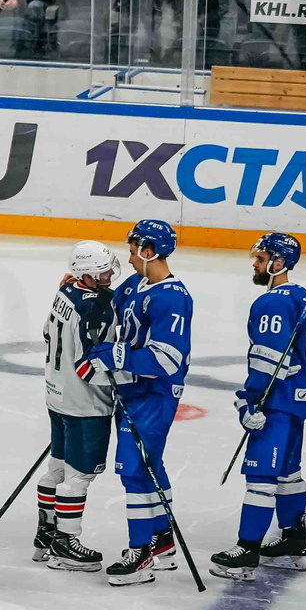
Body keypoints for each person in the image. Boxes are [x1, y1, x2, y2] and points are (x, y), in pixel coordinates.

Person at [210, 233, 306, 580]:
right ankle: (292, 541)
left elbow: (268, 360)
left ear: (279, 262)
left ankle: (247, 550)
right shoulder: (301, 296)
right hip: (297, 400)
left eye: (261, 259)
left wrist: (251, 400)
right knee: (288, 473)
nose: (255, 265)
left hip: (276, 401)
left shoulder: (272, 302)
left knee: (261, 476)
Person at [89, 217, 193, 588]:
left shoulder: (173, 298)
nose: (130, 259)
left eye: (134, 252)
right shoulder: (136, 283)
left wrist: (116, 356)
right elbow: (110, 306)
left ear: (149, 252)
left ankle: (140, 553)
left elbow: (166, 360)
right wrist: (82, 285)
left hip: (155, 395)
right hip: (132, 390)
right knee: (150, 465)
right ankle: (162, 540)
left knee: (134, 469)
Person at [34, 238, 119, 571]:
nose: (109, 275)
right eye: (103, 271)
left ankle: (46, 534)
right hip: (85, 405)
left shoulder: (65, 291)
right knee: (79, 476)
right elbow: (88, 366)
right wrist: (125, 381)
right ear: (87, 274)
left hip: (56, 395)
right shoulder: (96, 306)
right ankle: (66, 544)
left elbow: (47, 333)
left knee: (57, 468)